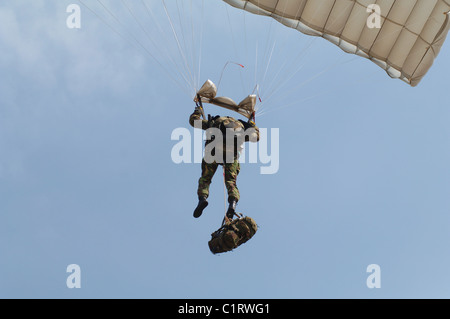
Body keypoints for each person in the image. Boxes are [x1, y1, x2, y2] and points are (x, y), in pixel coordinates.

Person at [189, 106, 260, 219]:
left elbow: (193, 122)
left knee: (205, 178)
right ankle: (232, 203)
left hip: (213, 152)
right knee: (231, 182)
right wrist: (251, 124)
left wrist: (197, 111)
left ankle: (202, 199)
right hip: (230, 155)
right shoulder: (241, 130)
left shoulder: (213, 123)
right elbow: (256, 137)